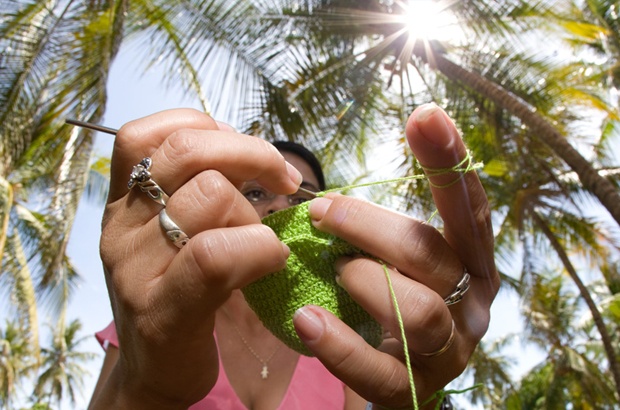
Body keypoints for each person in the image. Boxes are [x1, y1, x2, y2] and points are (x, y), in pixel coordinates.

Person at [88, 103, 499, 409]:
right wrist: (142, 388)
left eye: (300, 197)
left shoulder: (352, 333)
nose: (278, 207)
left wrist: (419, 391)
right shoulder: (160, 313)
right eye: (255, 192)